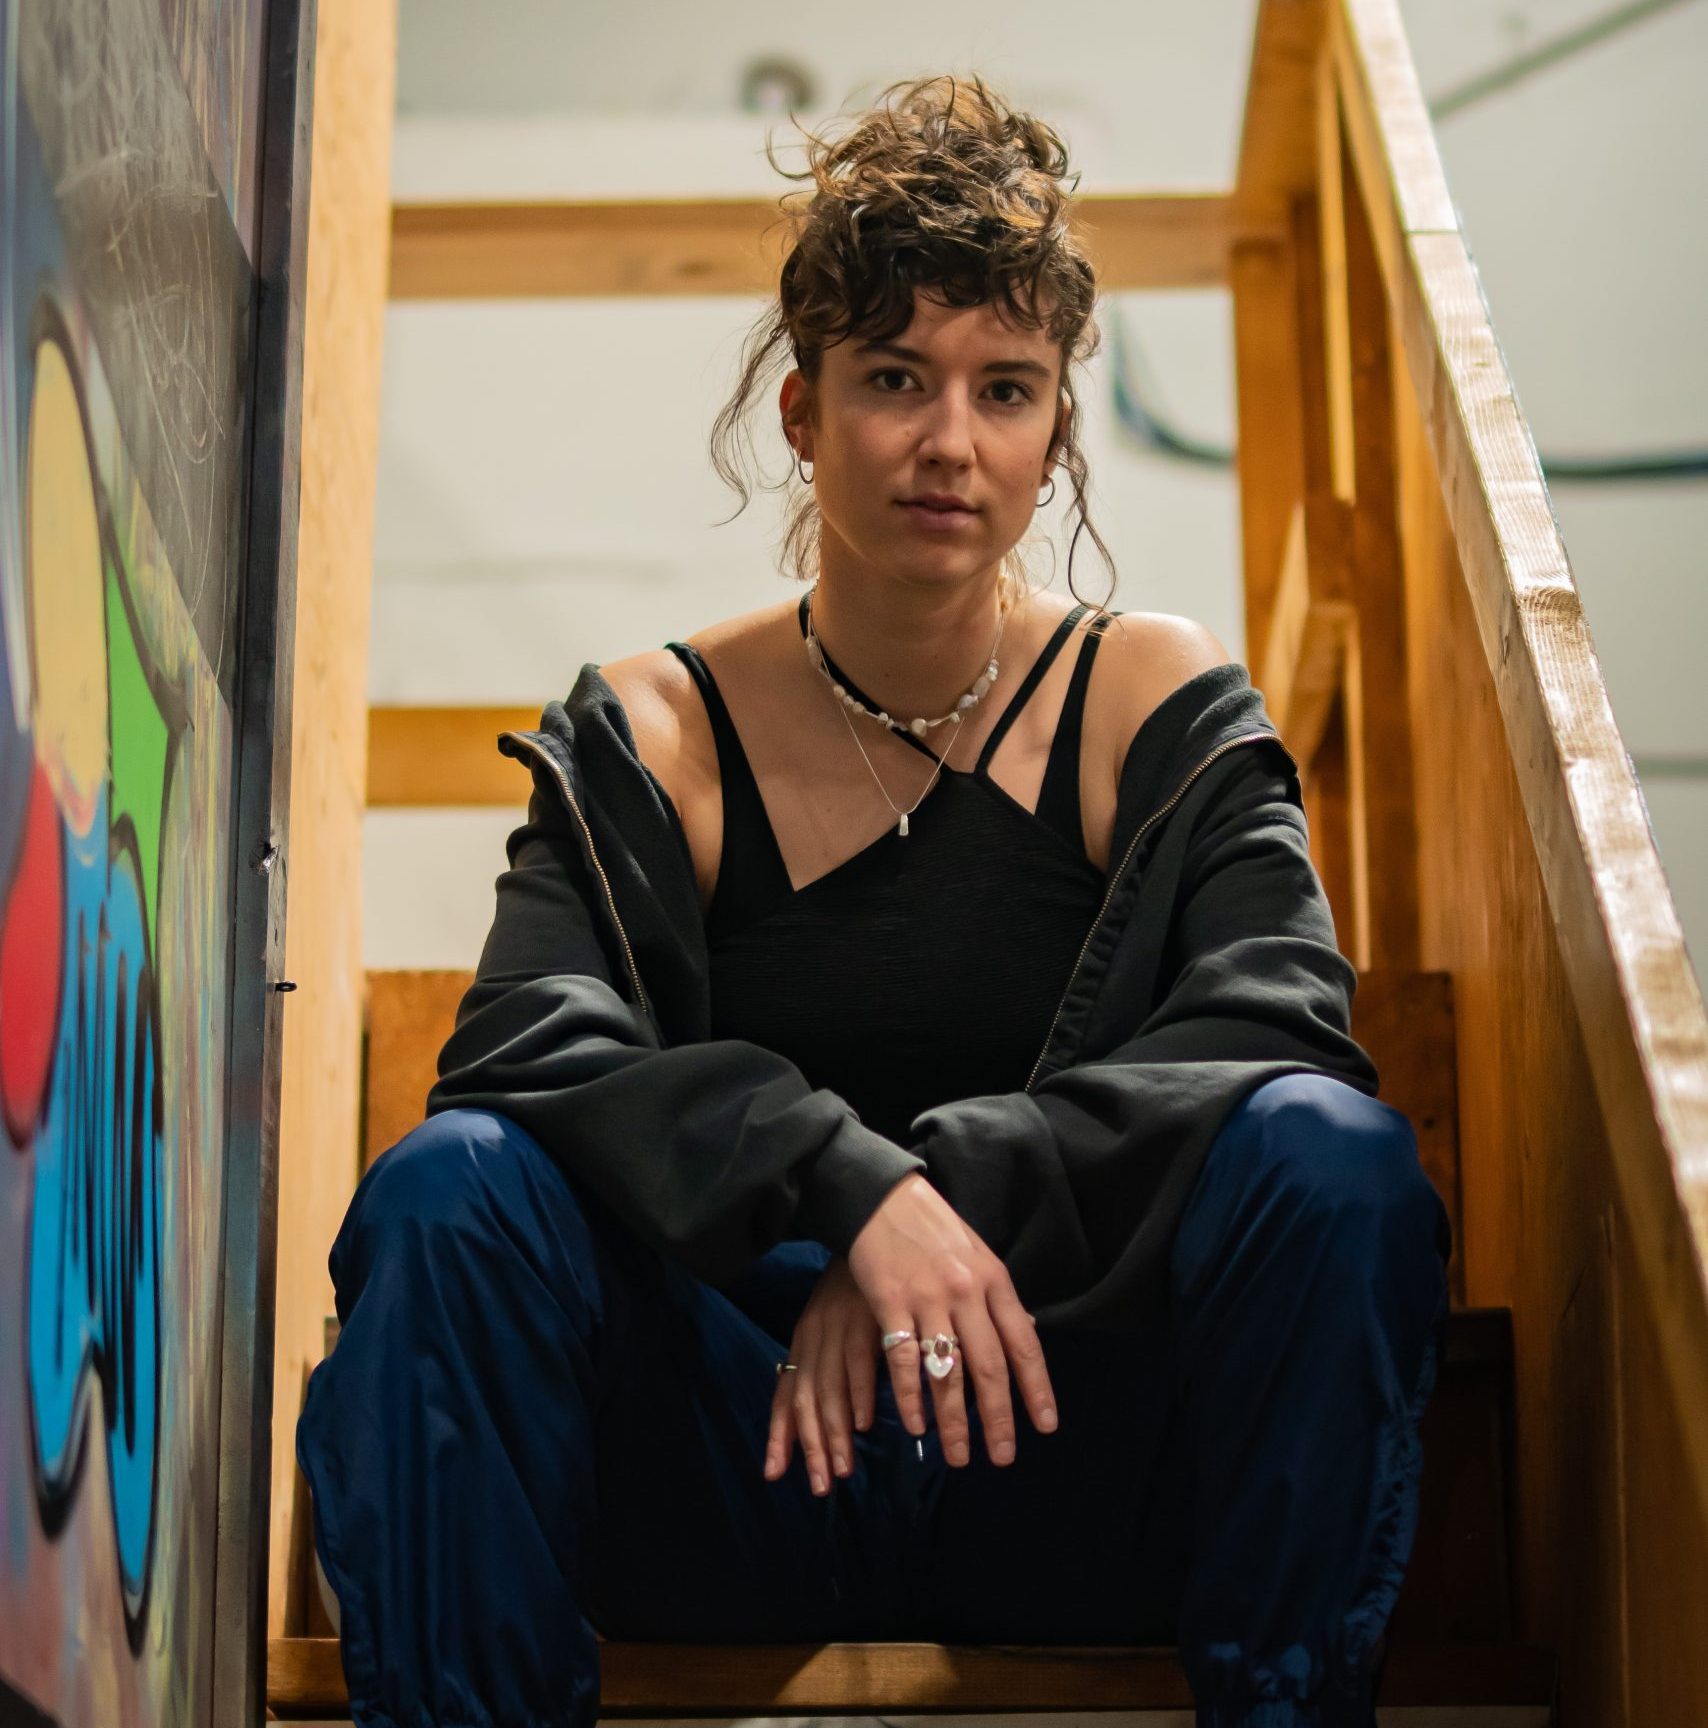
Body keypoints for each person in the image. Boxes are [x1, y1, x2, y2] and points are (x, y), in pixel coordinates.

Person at [297, 73, 1453, 1728]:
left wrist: (931, 1200)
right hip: (742, 1453)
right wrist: (839, 1186)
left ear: (1058, 430)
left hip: (1063, 1448)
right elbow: (519, 1052)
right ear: (801, 408)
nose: (948, 442)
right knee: (451, 1188)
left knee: (1333, 1163)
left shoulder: (1152, 701)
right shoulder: (659, 730)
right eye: (894, 379)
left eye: (1007, 389)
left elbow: (1280, 1026)